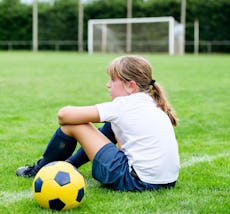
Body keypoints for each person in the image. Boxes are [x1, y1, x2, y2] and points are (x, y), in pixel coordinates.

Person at [16, 55, 180, 191]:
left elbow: (63, 115)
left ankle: (40, 169)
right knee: (111, 125)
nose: (107, 85)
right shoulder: (153, 103)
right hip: (166, 182)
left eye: (112, 80)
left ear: (130, 86)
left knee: (74, 125)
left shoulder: (123, 106)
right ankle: (69, 165)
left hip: (136, 182)